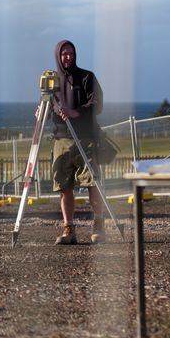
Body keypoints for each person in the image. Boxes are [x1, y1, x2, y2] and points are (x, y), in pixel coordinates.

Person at [50, 39, 105, 245]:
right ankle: (68, 229)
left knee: (92, 183)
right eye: (64, 53)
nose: (68, 57)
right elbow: (47, 107)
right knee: (64, 187)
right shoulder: (52, 81)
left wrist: (75, 112)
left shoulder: (87, 77)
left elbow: (97, 104)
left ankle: (99, 225)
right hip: (61, 140)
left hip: (85, 138)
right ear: (58, 55)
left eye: (71, 53)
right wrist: (41, 112)